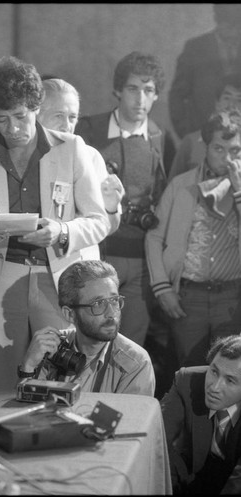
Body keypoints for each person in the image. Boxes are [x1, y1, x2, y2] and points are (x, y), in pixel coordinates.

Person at [0, 56, 111, 389]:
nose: (13, 129)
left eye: (21, 116)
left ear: (36, 107)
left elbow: (99, 222)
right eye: (2, 119)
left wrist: (61, 230)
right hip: (0, 281)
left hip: (57, 281)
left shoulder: (72, 149)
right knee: (1, 384)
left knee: (61, 381)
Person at [75, 51, 170, 346]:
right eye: (133, 89)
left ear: (156, 95)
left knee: (132, 345)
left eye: (149, 90)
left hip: (141, 259)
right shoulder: (89, 130)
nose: (140, 98)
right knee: (91, 340)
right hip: (100, 253)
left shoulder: (159, 138)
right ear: (118, 90)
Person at [146, 110, 241, 367]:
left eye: (235, 151)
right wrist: (162, 288)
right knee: (189, 372)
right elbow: (154, 237)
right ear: (206, 147)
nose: (227, 158)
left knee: (231, 373)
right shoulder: (181, 185)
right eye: (219, 149)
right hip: (189, 296)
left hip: (233, 298)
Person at [18, 260, 155, 396]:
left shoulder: (136, 363)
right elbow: (26, 414)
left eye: (114, 300)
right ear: (70, 314)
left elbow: (131, 418)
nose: (111, 313)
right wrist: (28, 368)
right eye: (98, 303)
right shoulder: (50, 348)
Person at [38, 77, 124, 233]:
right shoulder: (23, 155)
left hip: (78, 255)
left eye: (72, 117)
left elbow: (109, 227)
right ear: (37, 116)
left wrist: (111, 208)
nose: (66, 126)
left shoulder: (91, 157)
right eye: (58, 116)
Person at [161, 334, 241, 495]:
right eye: (214, 371)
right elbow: (158, 438)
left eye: (230, 380)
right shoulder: (186, 381)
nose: (215, 387)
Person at [169, 4, 241, 140]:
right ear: (217, 21)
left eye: (237, 26)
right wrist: (186, 133)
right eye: (228, 25)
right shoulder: (195, 48)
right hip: (201, 136)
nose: (234, 32)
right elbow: (177, 95)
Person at [169, 73, 241, 182]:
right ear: (217, 103)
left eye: (239, 100)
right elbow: (172, 186)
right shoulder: (191, 142)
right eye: (227, 98)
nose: (232, 105)